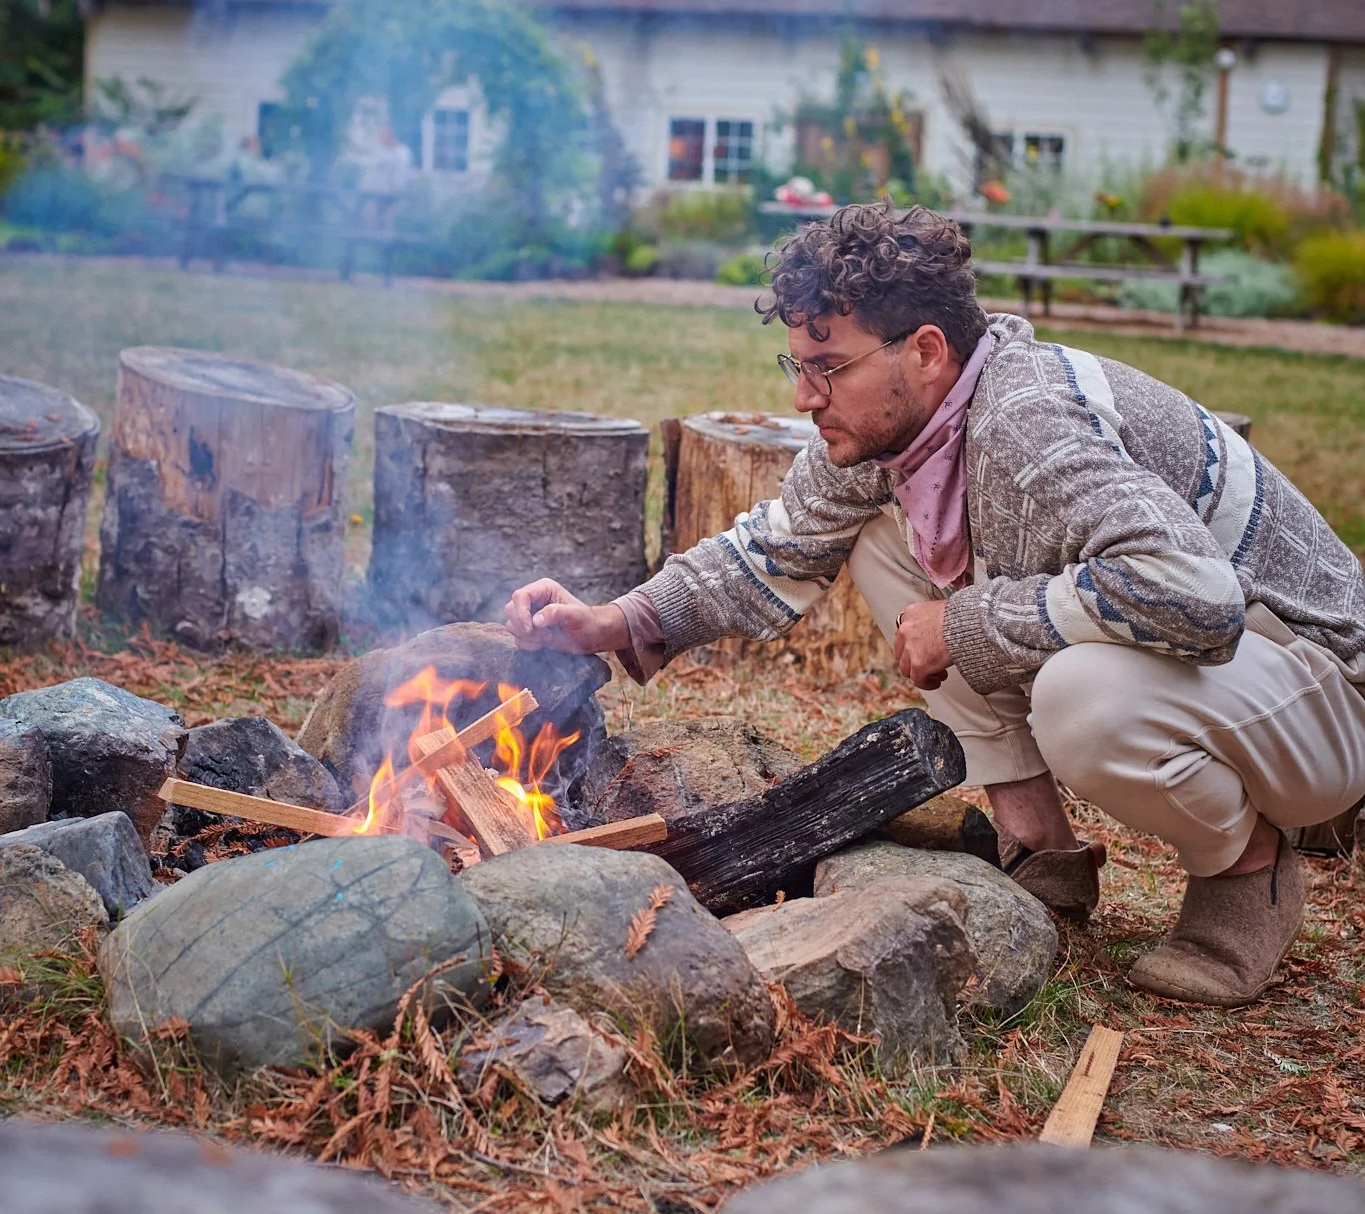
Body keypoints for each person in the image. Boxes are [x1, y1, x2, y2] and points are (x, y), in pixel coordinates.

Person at [505, 204, 1365, 1008]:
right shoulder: (907, 433)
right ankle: (1042, 850)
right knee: (883, 539)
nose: (805, 397)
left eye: (827, 367)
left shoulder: (1028, 422)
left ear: (924, 350)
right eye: (797, 367)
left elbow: (1198, 595)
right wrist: (615, 620)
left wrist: (966, 624)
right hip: (1230, 675)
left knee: (1082, 698)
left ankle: (1246, 872)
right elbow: (774, 545)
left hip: (1314, 688)